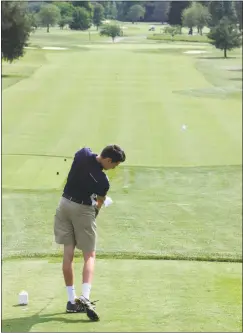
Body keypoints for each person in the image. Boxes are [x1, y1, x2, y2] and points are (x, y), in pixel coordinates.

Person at [54, 144, 126, 321]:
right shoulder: (103, 181)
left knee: (68, 253)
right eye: (114, 165)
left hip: (63, 205)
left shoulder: (82, 153)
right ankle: (85, 296)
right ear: (108, 160)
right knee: (89, 255)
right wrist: (96, 208)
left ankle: (72, 302)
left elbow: (85, 163)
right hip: (83, 210)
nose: (113, 168)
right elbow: (98, 206)